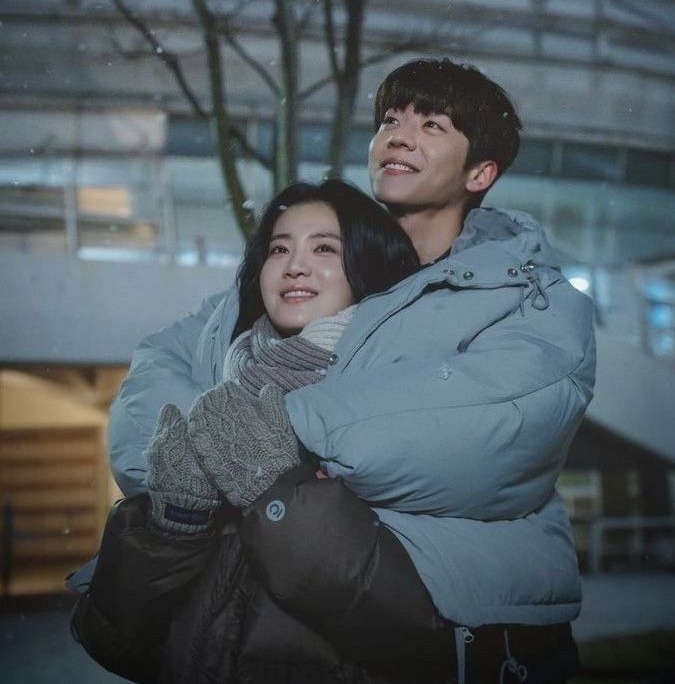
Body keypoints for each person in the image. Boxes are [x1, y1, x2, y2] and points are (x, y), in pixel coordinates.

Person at [82, 58, 596, 683]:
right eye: (389, 120)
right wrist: (190, 469)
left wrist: (285, 433)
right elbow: (157, 371)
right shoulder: (300, 290)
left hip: (434, 620)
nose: (399, 136)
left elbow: (493, 426)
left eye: (432, 125)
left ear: (481, 172)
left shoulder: (526, 295)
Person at [72, 179, 454, 682]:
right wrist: (174, 527)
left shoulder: (398, 400)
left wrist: (277, 494)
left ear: (368, 268)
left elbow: (418, 641)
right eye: (279, 248)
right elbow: (116, 642)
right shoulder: (214, 384)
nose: (295, 264)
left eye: (324, 248)